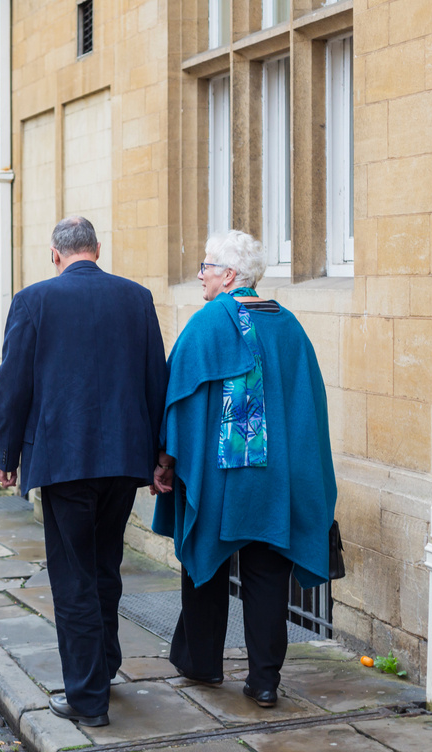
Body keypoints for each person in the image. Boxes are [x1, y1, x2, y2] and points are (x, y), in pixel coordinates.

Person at [0, 216, 168, 727]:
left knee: (73, 579)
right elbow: (155, 378)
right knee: (104, 566)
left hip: (64, 461)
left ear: (55, 254)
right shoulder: (135, 298)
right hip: (122, 460)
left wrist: (6, 455)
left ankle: (88, 699)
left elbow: (12, 387)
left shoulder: (33, 301)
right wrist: (162, 454)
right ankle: (104, 667)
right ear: (97, 248)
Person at [150, 230, 336, 708]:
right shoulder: (289, 325)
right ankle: (265, 680)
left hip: (220, 478)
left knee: (205, 567)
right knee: (266, 577)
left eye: (208, 266)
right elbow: (308, 407)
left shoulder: (209, 322)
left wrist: (167, 463)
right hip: (274, 480)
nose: (200, 275)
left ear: (229, 275)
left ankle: (202, 663)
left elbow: (178, 402)